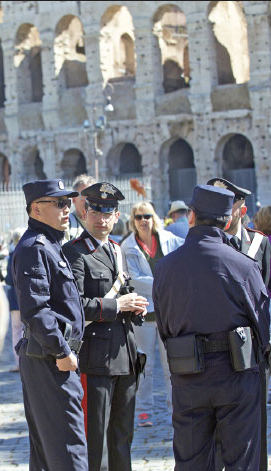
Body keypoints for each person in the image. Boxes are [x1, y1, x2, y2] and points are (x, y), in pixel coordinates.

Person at [153, 184, 270, 470]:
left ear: (191, 217)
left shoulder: (166, 266)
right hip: (236, 375)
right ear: (228, 221)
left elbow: (164, 325)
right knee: (241, 460)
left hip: (188, 375)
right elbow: (264, 326)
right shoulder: (243, 265)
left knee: (192, 461)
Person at [63, 182, 148, 471]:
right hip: (94, 360)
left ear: (116, 215)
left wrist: (135, 306)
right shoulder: (74, 253)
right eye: (96, 212)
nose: (102, 219)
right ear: (85, 213)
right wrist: (116, 306)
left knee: (122, 437)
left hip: (125, 356)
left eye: (108, 213)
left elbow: (124, 290)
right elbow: (73, 306)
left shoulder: (117, 249)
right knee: (95, 438)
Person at [12, 178, 88, 471]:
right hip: (50, 359)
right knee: (68, 449)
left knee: (49, 452)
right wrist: (61, 352)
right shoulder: (35, 247)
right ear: (36, 209)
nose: (66, 209)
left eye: (68, 202)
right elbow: (36, 309)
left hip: (50, 357)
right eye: (59, 203)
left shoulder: (50, 245)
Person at [207, 177, 271, 471]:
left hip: (253, 349)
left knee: (254, 424)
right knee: (215, 427)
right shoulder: (205, 245)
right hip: (214, 347)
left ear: (240, 210)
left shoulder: (259, 244)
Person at [121, 201, 184, 427]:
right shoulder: (127, 246)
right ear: (133, 221)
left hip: (169, 312)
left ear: (154, 217)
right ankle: (144, 411)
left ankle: (176, 409)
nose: (143, 221)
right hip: (144, 315)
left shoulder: (170, 240)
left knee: (172, 365)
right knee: (144, 366)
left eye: (147, 216)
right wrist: (166, 281)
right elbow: (133, 279)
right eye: (138, 217)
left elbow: (183, 260)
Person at [4, 227, 24, 372]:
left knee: (17, 331)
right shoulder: (30, 251)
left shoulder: (13, 254)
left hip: (15, 300)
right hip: (26, 298)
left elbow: (9, 279)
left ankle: (19, 362)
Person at [64, 174, 95, 243]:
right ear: (74, 200)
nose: (89, 199)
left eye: (92, 194)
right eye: (84, 195)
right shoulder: (67, 224)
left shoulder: (100, 223)